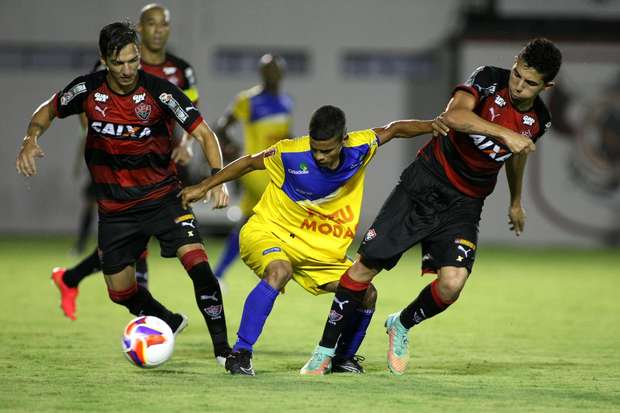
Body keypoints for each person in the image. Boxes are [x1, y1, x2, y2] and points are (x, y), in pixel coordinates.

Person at [301, 38, 562, 375]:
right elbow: (453, 116)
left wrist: (515, 201)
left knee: (452, 284)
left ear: (547, 86)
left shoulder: (539, 119)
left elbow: (516, 155)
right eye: (517, 75)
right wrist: (503, 133)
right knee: (365, 269)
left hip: (466, 203)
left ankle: (401, 324)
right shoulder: (487, 80)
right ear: (514, 63)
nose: (518, 86)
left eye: (530, 83)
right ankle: (324, 351)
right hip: (426, 183)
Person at [16, 21, 232, 365]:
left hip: (164, 198)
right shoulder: (87, 90)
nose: (129, 70)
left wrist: (217, 178)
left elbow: (205, 133)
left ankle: (225, 352)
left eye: (134, 61)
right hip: (116, 210)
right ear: (104, 59)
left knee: (200, 267)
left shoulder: (160, 92)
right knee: (121, 292)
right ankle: (169, 320)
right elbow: (47, 110)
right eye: (119, 63)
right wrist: (31, 138)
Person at [181, 105, 433, 375]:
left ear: (344, 140)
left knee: (367, 293)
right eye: (315, 149)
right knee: (280, 270)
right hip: (269, 231)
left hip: (319, 250)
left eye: (327, 150)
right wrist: (205, 185)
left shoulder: (360, 147)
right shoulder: (291, 152)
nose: (320, 156)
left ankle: (343, 358)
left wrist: (436, 125)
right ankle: (241, 353)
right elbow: (248, 162)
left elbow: (394, 129)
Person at [53, 3, 202, 319]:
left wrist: (187, 144)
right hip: (116, 165)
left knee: (139, 238)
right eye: (152, 24)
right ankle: (147, 320)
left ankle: (71, 278)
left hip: (162, 162)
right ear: (141, 28)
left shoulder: (181, 69)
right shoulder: (108, 63)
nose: (158, 30)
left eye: (164, 24)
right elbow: (87, 108)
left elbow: (192, 114)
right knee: (129, 239)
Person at [212, 54, 293, 282]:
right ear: (261, 73)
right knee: (285, 214)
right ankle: (276, 270)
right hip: (257, 170)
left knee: (247, 222)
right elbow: (221, 126)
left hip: (276, 169)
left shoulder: (286, 102)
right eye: (267, 70)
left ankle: (218, 274)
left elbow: (284, 135)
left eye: (275, 70)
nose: (272, 75)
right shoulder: (248, 100)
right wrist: (231, 146)